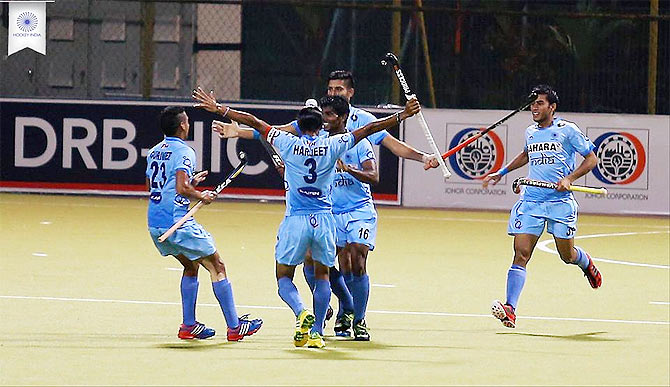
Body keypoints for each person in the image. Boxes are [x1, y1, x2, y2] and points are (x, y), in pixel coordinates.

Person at [193, 87, 420, 348]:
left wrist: (221, 109)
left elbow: (255, 123)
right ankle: (317, 333)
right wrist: (401, 116)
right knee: (323, 275)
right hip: (324, 221)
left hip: (296, 221)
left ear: (298, 126)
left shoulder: (288, 143)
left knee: (284, 278)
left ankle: (302, 313)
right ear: (319, 125)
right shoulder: (333, 145)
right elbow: (369, 129)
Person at [482, 85, 603, 329]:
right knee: (521, 253)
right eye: (532, 104)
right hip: (532, 201)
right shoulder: (530, 132)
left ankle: (586, 263)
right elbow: (527, 155)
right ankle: (511, 308)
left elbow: (592, 158)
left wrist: (569, 179)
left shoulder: (568, 130)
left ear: (552, 107)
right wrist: (501, 173)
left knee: (567, 256)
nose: (534, 108)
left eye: (539, 103)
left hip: (559, 203)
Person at [146, 106, 263, 341]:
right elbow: (181, 188)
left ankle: (188, 325)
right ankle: (234, 326)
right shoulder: (185, 152)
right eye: (187, 121)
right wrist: (201, 195)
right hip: (177, 223)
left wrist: (190, 182)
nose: (188, 124)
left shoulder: (154, 151)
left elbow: (155, 185)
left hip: (155, 222)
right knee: (217, 266)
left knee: (191, 266)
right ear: (182, 126)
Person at [320, 95, 380, 341]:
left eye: (329, 115)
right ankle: (345, 305)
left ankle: (359, 319)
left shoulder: (359, 143)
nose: (324, 120)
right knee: (323, 264)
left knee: (357, 259)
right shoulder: (320, 142)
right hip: (329, 212)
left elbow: (373, 175)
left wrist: (350, 169)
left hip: (359, 210)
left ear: (343, 117)